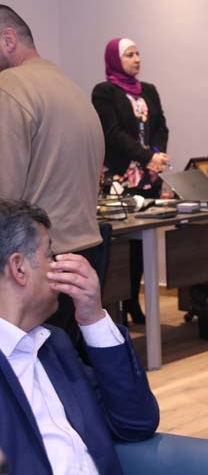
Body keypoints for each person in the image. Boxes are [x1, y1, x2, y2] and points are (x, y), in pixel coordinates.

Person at [0, 199, 159, 475]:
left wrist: (93, 317)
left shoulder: (53, 344)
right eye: (50, 255)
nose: (58, 265)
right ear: (19, 268)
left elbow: (135, 423)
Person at [0, 5, 104, 347]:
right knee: (68, 368)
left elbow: (5, 196)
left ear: (8, 40)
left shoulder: (9, 87)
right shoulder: (71, 87)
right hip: (84, 254)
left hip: (34, 263)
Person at [92, 37, 171, 325]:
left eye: (138, 53)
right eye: (129, 55)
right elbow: (112, 133)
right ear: (115, 59)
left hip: (148, 176)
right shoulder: (104, 92)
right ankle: (117, 306)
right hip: (120, 177)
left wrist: (157, 155)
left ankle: (133, 302)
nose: (137, 59)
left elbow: (160, 126)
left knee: (142, 245)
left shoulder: (148, 90)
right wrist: (147, 156)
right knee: (120, 245)